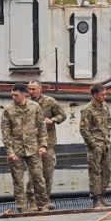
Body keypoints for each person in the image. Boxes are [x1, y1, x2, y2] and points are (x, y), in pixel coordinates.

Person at [1, 82, 49, 212]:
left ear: (24, 95)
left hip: (32, 148)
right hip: (16, 150)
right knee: (18, 181)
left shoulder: (34, 107)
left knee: (38, 178)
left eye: (16, 95)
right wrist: (9, 151)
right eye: (12, 95)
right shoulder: (8, 110)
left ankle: (43, 205)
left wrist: (43, 145)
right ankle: (21, 208)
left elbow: (42, 127)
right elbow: (5, 133)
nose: (13, 98)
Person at [26, 80, 67, 209]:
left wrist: (53, 120)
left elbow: (62, 115)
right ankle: (32, 200)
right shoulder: (26, 104)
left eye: (33, 89)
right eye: (29, 89)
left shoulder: (49, 102)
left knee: (47, 173)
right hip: (32, 144)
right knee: (33, 173)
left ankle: (45, 199)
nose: (31, 92)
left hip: (47, 143)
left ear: (40, 89)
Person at [80, 83, 111, 209]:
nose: (105, 97)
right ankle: (96, 198)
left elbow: (109, 122)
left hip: (105, 144)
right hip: (95, 146)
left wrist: (107, 134)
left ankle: (102, 195)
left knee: (106, 171)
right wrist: (93, 144)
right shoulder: (87, 110)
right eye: (102, 94)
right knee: (95, 172)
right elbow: (84, 130)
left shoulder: (105, 107)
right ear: (95, 95)